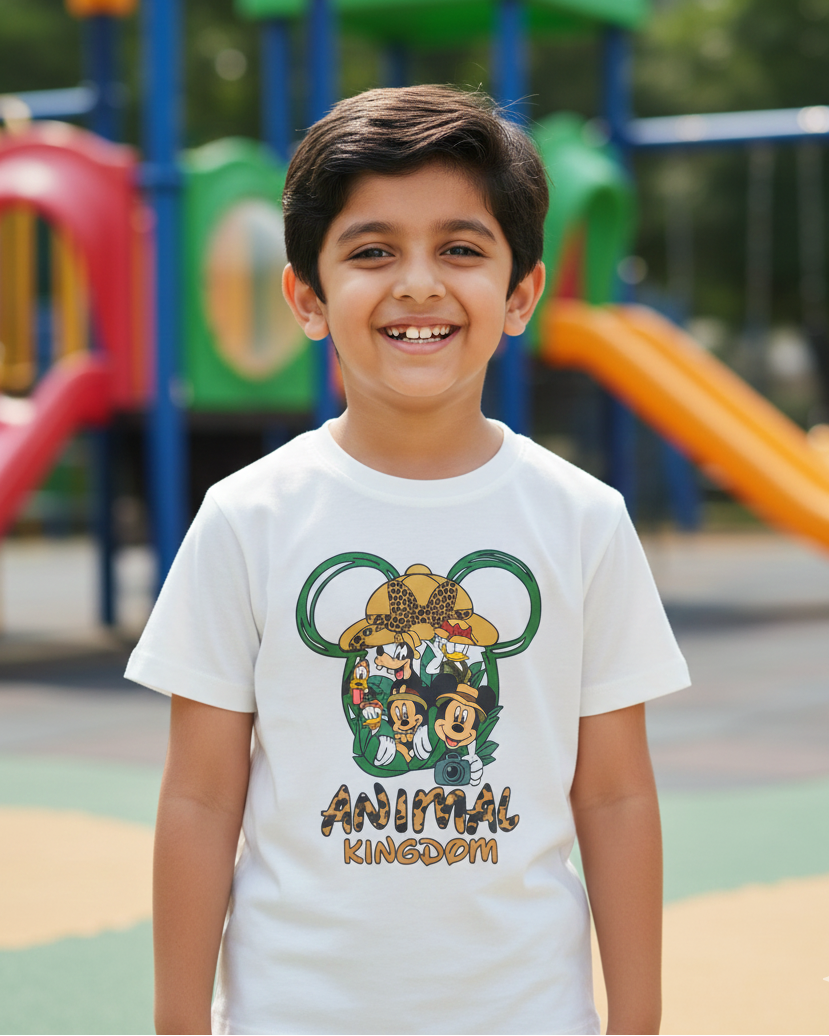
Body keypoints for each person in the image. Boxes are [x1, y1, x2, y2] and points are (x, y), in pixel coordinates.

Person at [126, 84, 690, 1036]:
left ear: (521, 295)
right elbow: (199, 793)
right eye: (372, 250)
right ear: (306, 296)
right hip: (291, 1014)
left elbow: (617, 792)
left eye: (460, 249)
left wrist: (635, 1020)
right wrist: (181, 1023)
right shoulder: (246, 517)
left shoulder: (582, 519)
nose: (419, 284)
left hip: (526, 1015)